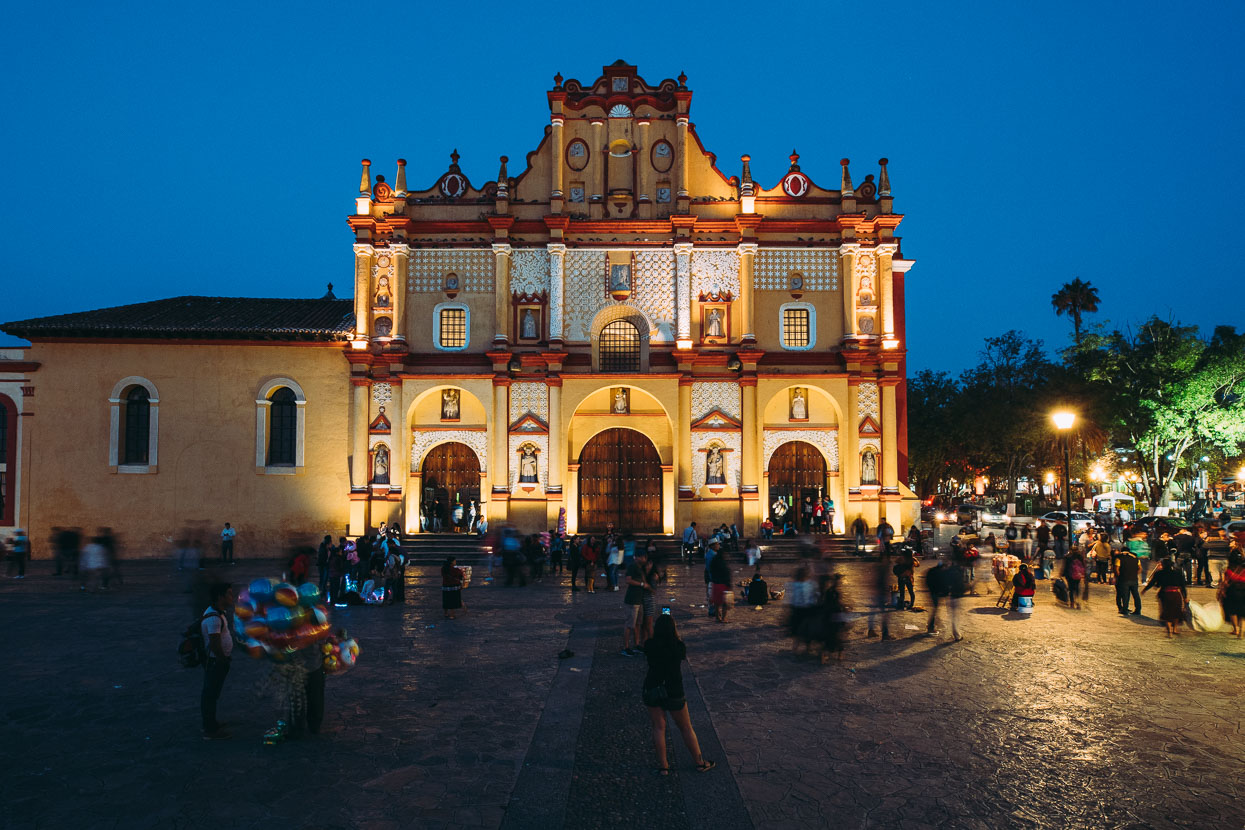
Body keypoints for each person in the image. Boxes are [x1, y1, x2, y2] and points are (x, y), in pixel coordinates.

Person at [642, 615, 716, 776]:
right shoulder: (678, 646)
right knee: (685, 727)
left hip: (653, 688)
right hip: (674, 690)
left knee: (658, 727)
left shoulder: (650, 645)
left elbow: (646, 647)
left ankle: (664, 767)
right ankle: (699, 762)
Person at [200, 582, 234, 740]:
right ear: (220, 597)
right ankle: (210, 730)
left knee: (212, 694)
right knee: (210, 695)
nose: (231, 597)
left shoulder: (217, 613)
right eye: (229, 594)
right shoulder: (214, 618)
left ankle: (211, 723)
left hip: (217, 661)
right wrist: (223, 660)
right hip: (216, 662)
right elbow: (214, 643)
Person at [1142, 557, 1187, 638]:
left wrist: (1145, 590)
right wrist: (1185, 597)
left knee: (1167, 611)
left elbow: (1153, 583)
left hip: (1165, 594)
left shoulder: (1159, 573)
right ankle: (1175, 629)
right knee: (1177, 611)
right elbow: (1183, 586)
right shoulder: (1178, 573)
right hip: (1176, 593)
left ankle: (1169, 630)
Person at [621, 549, 650, 656]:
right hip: (632, 600)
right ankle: (626, 647)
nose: (644, 559)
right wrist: (641, 584)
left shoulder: (640, 567)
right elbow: (628, 580)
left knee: (638, 623)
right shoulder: (632, 567)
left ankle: (637, 644)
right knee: (630, 624)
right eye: (642, 557)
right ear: (637, 557)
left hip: (639, 599)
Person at [925, 560, 964, 641]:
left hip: (935, 593)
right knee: (938, 610)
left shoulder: (933, 571)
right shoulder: (944, 572)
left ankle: (931, 627)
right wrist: (944, 592)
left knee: (936, 610)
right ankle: (931, 627)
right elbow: (944, 584)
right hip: (938, 593)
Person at [786, 565, 818, 654]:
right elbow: (814, 598)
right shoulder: (810, 585)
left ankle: (795, 649)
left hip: (797, 610)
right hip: (806, 610)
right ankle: (806, 648)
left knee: (798, 632)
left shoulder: (793, 585)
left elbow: (789, 599)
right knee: (807, 631)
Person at [866, 551, 894, 640]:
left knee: (874, 612)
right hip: (880, 593)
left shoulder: (879, 567)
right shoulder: (882, 568)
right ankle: (885, 634)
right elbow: (880, 581)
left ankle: (871, 630)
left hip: (878, 593)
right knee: (884, 614)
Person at [1218, 551, 1245, 639]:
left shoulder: (1228, 570)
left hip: (1232, 591)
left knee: (1232, 610)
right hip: (1244, 590)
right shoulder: (1244, 569)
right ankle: (1242, 630)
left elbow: (1225, 582)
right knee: (1243, 612)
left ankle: (1236, 629)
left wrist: (1222, 591)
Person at [1116, 537, 1143, 616]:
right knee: (1136, 595)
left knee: (1125, 595)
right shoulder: (1135, 558)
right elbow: (1140, 569)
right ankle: (1138, 610)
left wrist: (1120, 576)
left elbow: (1117, 569)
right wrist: (1135, 574)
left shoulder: (1119, 558)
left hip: (1124, 579)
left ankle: (1124, 609)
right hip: (1134, 579)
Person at [708, 544, 731, 623]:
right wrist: (729, 584)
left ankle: (718, 617)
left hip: (716, 584)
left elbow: (711, 570)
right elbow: (726, 574)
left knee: (717, 603)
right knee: (725, 603)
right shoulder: (723, 563)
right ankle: (724, 618)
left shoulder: (714, 561)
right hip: (723, 585)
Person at [1062, 545, 1087, 610]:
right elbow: (1083, 565)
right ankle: (1078, 602)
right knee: (1077, 588)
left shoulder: (1067, 557)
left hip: (1069, 575)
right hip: (1078, 575)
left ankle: (1072, 602)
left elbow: (1065, 567)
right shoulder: (1080, 557)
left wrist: (1062, 574)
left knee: (1071, 588)